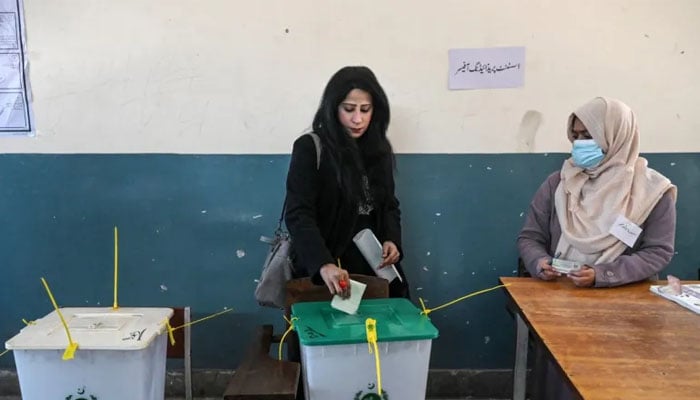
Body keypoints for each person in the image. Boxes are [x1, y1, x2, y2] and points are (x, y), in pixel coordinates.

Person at [518, 97, 677, 288]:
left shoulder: (653, 191)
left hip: (625, 297)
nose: (579, 144)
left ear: (616, 135)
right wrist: (539, 261)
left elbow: (657, 251)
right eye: (575, 136)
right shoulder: (559, 183)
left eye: (588, 136)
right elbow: (530, 238)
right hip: (560, 290)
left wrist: (603, 274)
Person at [285, 66, 409, 299]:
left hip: (375, 267)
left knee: (382, 332)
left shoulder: (379, 149)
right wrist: (323, 264)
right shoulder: (310, 148)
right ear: (333, 108)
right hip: (328, 268)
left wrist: (392, 240)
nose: (357, 119)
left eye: (365, 109)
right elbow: (298, 214)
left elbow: (389, 204)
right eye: (349, 109)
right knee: (331, 331)